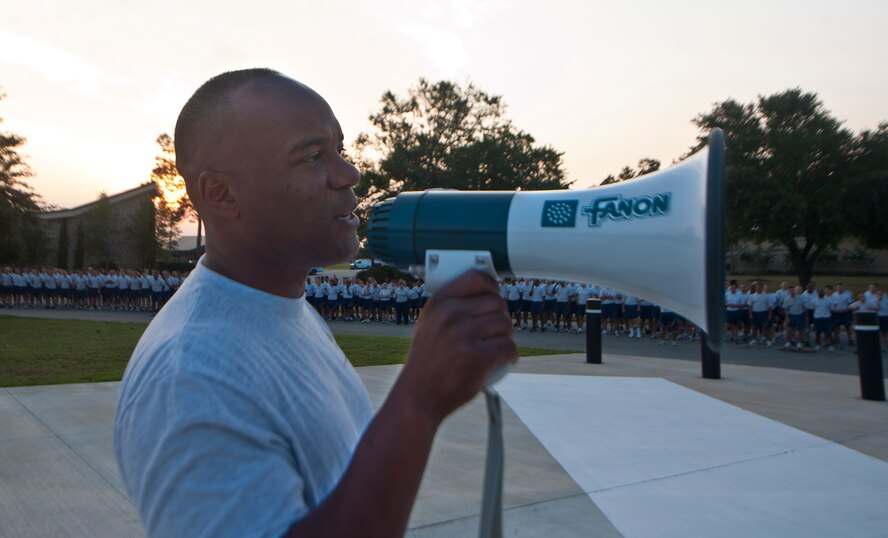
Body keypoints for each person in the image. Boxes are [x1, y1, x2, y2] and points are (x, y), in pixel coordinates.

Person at [114, 69, 517, 538]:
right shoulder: (190, 374)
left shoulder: (286, 308)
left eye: (339, 149)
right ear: (221, 194)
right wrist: (418, 402)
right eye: (312, 156)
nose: (350, 173)